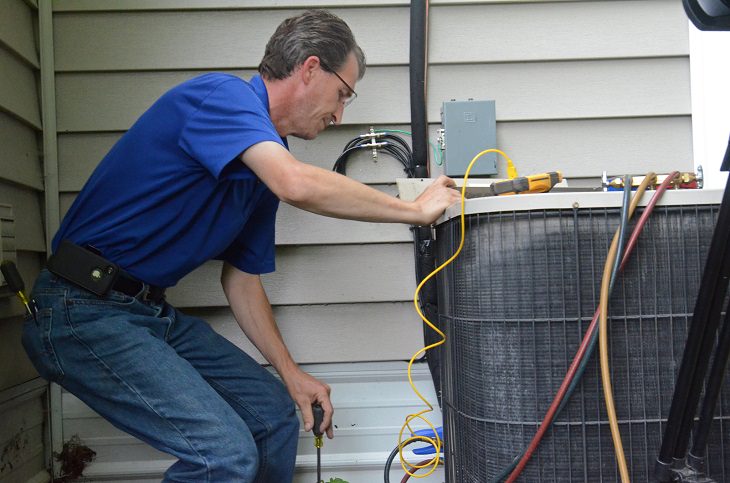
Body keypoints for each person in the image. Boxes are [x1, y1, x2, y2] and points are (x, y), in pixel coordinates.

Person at [21, 9, 460, 483]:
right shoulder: (221, 97)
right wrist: (414, 211)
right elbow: (295, 185)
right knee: (222, 454)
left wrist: (292, 374)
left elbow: (242, 280)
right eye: (343, 94)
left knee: (271, 416)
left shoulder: (264, 163)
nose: (339, 115)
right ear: (311, 68)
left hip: (145, 314)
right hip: (81, 308)